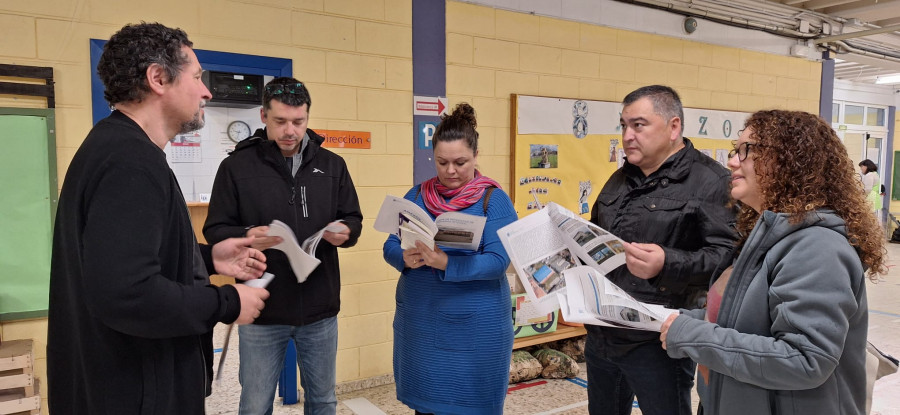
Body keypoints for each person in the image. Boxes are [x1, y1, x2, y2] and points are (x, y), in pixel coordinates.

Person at [47, 22, 271, 415]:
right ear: (158, 78)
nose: (207, 91)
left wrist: (209, 258)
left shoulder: (112, 145)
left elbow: (120, 255)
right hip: (134, 388)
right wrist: (227, 301)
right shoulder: (131, 162)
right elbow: (129, 294)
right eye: (198, 77)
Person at [659, 110, 886, 415]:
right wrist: (681, 320)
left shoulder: (816, 247)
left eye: (746, 151)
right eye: (734, 150)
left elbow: (805, 360)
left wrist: (692, 335)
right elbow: (749, 322)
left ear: (790, 161)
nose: (732, 161)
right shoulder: (764, 236)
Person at [203, 77, 363, 415]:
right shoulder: (236, 167)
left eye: (298, 121)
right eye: (280, 121)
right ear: (263, 115)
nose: (290, 131)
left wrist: (344, 231)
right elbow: (215, 229)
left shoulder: (333, 166)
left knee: (322, 401)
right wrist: (248, 233)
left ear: (307, 117)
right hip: (261, 309)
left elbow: (354, 219)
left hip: (320, 308)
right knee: (256, 404)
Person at [587, 85, 737, 415]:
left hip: (659, 340)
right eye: (623, 125)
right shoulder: (619, 179)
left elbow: (728, 260)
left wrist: (667, 263)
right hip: (603, 333)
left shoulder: (712, 182)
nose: (627, 135)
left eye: (638, 125)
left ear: (673, 128)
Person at [382, 103, 518, 415]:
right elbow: (389, 246)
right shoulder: (416, 196)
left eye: (460, 162)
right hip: (421, 325)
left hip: (474, 331)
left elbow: (499, 261)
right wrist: (404, 257)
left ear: (476, 155)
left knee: (470, 407)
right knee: (425, 408)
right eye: (442, 162)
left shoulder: (493, 201)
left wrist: (448, 264)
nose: (450, 171)